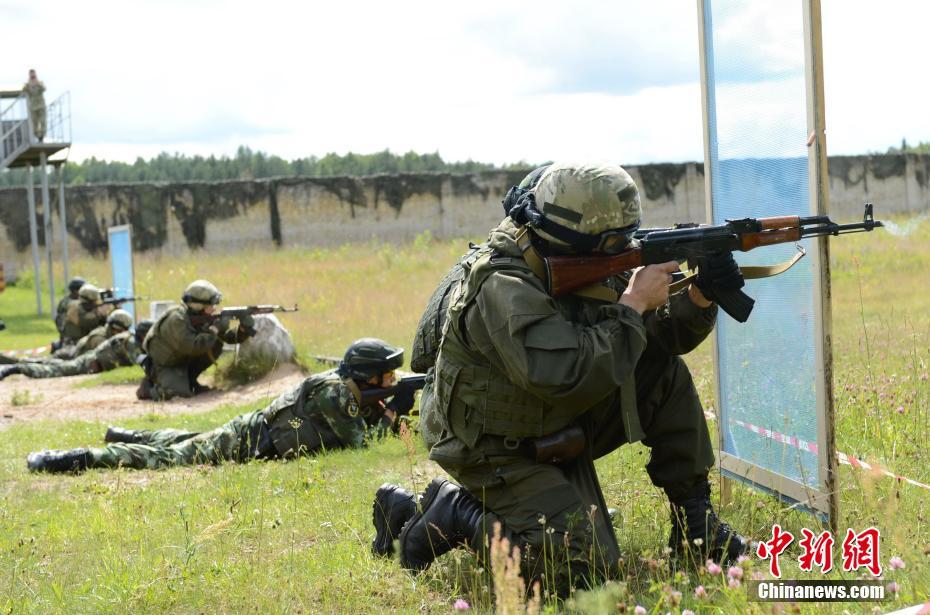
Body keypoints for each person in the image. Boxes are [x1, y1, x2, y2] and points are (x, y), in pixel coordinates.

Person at [371, 162, 750, 595]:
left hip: (551, 419)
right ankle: (453, 512)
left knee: (661, 371)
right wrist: (631, 306)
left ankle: (694, 525)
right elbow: (564, 375)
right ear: (575, 237)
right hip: (492, 443)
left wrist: (699, 296)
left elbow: (659, 336)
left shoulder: (580, 253)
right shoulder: (503, 284)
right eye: (612, 243)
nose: (621, 250)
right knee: (580, 572)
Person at [26, 338, 413, 473]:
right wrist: (393, 418)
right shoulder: (338, 395)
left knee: (190, 440)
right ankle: (77, 458)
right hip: (249, 442)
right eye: (389, 377)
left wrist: (389, 407)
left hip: (253, 432)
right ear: (370, 375)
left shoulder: (345, 389)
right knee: (169, 459)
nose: (393, 382)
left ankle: (129, 434)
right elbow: (360, 442)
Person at [136, 279, 255, 400]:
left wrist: (242, 329)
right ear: (198, 306)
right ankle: (148, 388)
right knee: (175, 393)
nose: (214, 309)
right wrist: (216, 329)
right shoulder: (176, 319)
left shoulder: (202, 317)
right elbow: (193, 346)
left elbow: (228, 338)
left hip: (181, 360)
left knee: (215, 344)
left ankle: (190, 381)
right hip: (164, 365)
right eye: (211, 305)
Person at [0, 315, 147, 382]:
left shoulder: (124, 338)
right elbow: (141, 362)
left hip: (85, 358)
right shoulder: (127, 341)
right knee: (56, 370)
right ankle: (17, 369)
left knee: (57, 365)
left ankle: (22, 364)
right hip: (88, 362)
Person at [23, 69, 47, 142]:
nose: (32, 76)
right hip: (33, 107)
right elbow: (23, 90)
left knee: (43, 121)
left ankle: (42, 135)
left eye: (33, 74)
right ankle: (37, 136)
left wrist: (37, 83)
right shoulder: (27, 85)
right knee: (35, 123)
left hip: (41, 106)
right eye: (31, 74)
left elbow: (44, 88)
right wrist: (29, 84)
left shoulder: (40, 83)